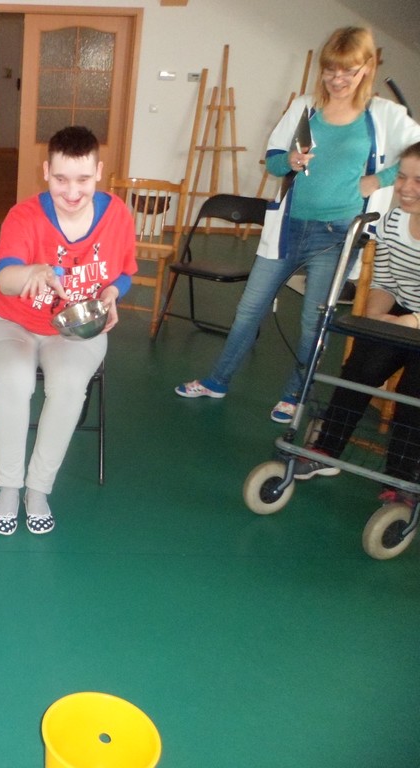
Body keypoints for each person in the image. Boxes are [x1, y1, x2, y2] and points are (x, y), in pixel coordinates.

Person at [176, 26, 420, 423]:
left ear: (367, 68)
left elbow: (415, 154)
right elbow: (273, 161)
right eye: (330, 70)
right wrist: (288, 161)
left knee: (312, 322)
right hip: (289, 228)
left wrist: (380, 179)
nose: (337, 79)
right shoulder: (305, 108)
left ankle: (294, 394)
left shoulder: (382, 114)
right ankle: (217, 380)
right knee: (248, 309)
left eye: (348, 71)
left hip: (337, 234)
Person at [0, 126, 136, 535]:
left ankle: (38, 490)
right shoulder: (24, 216)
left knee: (68, 385)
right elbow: (6, 278)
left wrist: (113, 293)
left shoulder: (116, 215)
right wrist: (32, 271)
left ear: (98, 172)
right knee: (15, 377)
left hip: (75, 329)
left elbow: (124, 273)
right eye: (61, 179)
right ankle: (9, 487)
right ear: (46, 172)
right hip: (8, 322)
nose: (72, 191)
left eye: (83, 179)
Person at [293, 141, 420, 502]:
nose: (406, 188)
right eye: (402, 177)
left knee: (414, 393)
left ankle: (401, 480)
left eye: (418, 181)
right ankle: (325, 450)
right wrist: (377, 317)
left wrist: (411, 322)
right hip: (404, 315)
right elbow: (386, 281)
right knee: (359, 369)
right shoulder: (394, 221)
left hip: (413, 321)